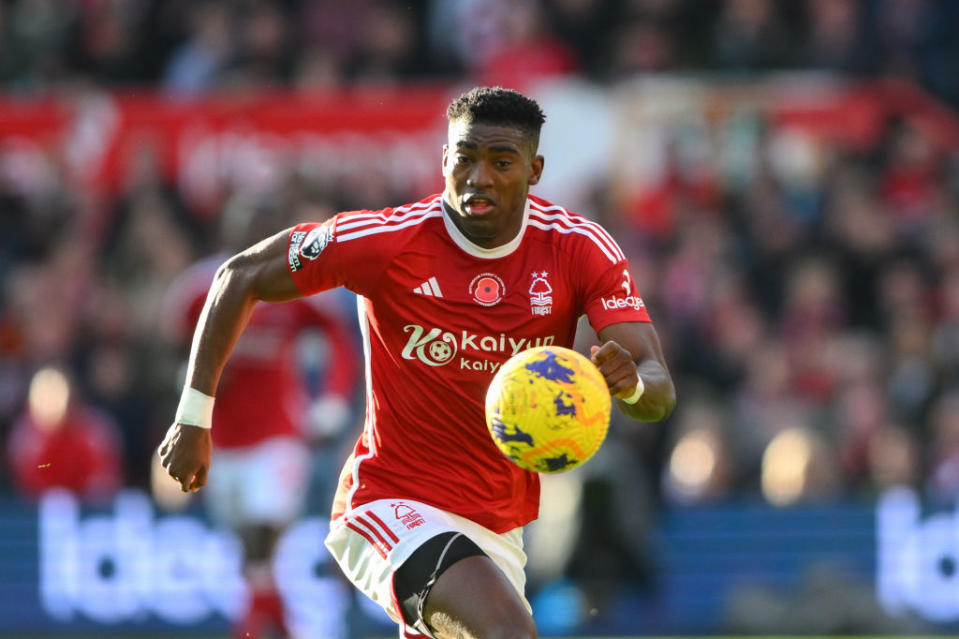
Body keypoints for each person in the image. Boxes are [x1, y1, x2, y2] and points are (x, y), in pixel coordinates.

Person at [159, 86, 675, 639]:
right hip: (387, 501)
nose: (479, 177)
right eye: (464, 159)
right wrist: (193, 416)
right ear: (443, 160)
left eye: (502, 162)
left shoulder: (578, 249)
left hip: (496, 525)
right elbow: (240, 275)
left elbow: (657, 388)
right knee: (510, 634)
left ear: (534, 169)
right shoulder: (389, 241)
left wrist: (629, 387)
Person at [161, 199, 360, 639]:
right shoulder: (199, 290)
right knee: (249, 552)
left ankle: (252, 627)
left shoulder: (292, 288)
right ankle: (274, 623)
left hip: (278, 435)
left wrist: (328, 402)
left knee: (262, 534)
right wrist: (188, 387)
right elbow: (171, 350)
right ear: (227, 238)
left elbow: (340, 343)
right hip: (220, 440)